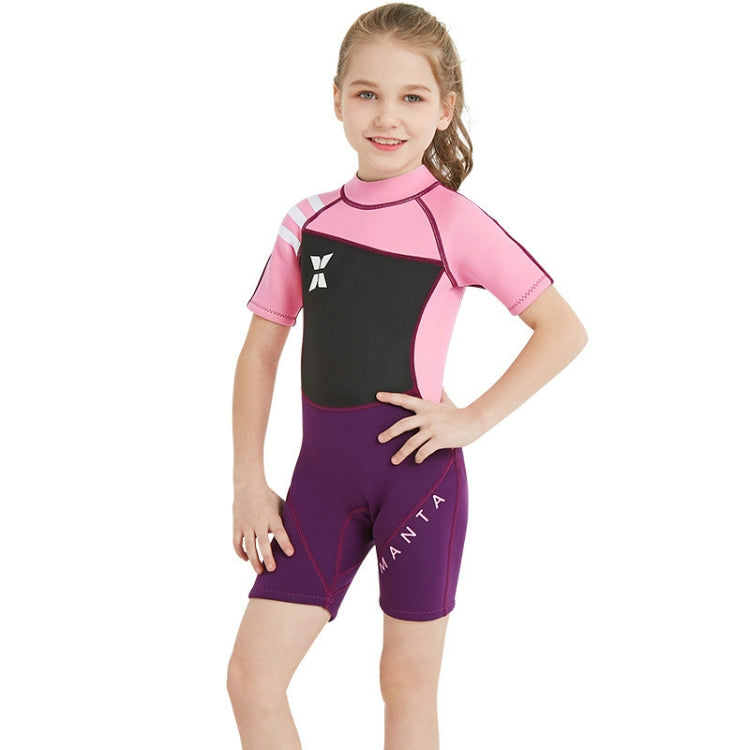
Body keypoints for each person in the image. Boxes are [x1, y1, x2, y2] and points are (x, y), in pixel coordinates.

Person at [226, 3, 587, 748]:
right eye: (367, 93)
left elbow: (562, 329)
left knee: (406, 684)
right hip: (318, 486)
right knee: (252, 679)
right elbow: (260, 352)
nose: (386, 116)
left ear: (444, 109)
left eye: (412, 97)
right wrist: (249, 483)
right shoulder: (307, 221)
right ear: (337, 99)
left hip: (418, 481)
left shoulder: (452, 220)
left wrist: (471, 419)